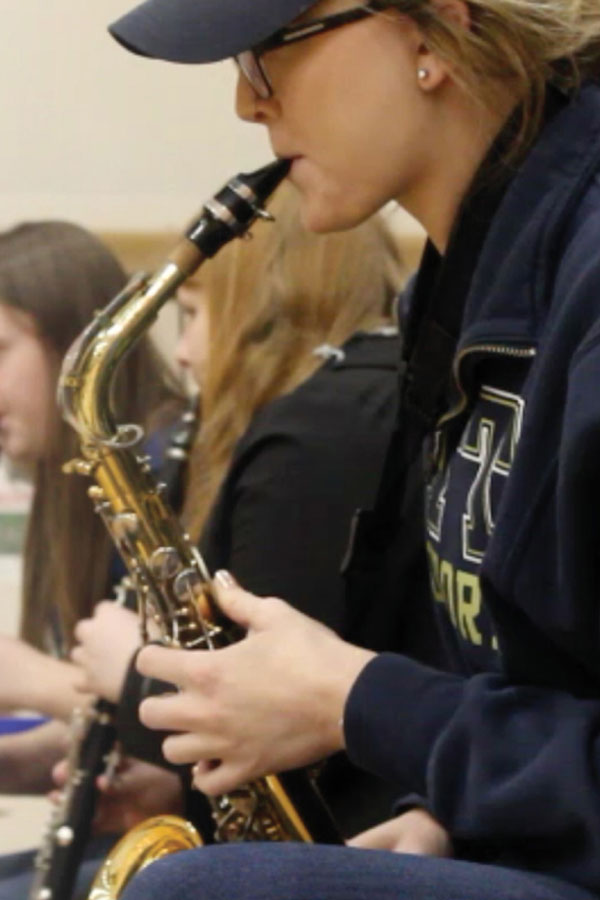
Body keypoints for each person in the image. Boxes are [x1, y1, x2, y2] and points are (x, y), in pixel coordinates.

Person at [99, 1, 600, 900]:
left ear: (433, 25)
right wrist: (455, 812)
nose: (247, 106)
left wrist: (357, 703)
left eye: (267, 55)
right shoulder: (460, 289)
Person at [72, 183, 415, 839]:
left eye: (195, 315)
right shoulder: (370, 400)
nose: (182, 352)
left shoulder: (311, 440)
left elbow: (277, 732)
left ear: (262, 306)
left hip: (334, 850)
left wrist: (130, 675)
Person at [0, 221, 184, 897]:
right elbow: (103, 740)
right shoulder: (63, 483)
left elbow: (173, 705)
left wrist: (29, 679)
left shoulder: (161, 473)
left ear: (76, 343)